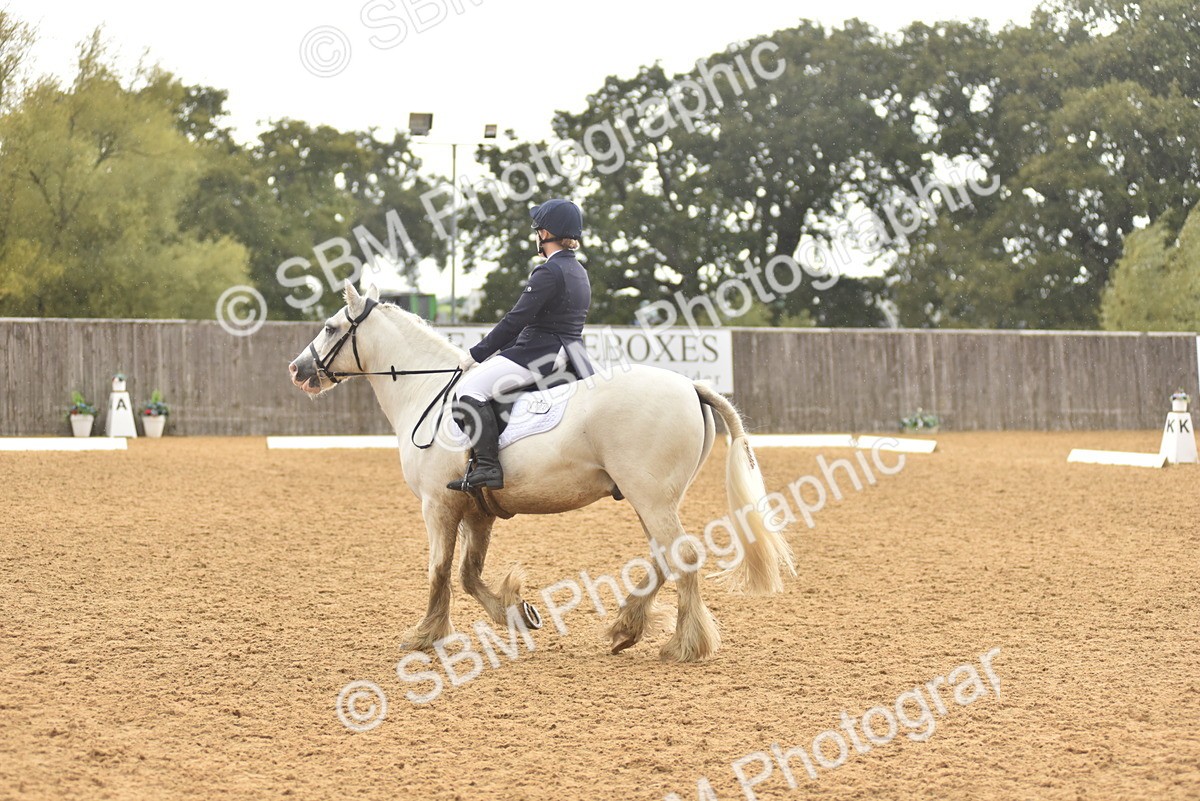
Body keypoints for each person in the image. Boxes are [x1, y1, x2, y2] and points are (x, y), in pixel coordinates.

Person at [447, 199, 594, 492]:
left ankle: (488, 467)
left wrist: (476, 355)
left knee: (468, 389)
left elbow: (515, 320)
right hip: (573, 355)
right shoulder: (578, 270)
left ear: (545, 233)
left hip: (540, 352)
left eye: (538, 229)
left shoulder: (548, 272)